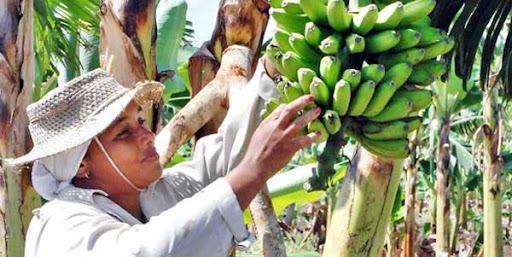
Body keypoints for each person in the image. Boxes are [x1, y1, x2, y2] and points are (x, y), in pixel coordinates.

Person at [7, 57, 321, 256]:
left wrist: (268, 75)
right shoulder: (60, 227)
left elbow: (221, 159)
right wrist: (252, 170)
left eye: (141, 122)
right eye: (124, 133)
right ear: (80, 165)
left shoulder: (157, 193)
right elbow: (145, 251)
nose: (147, 136)